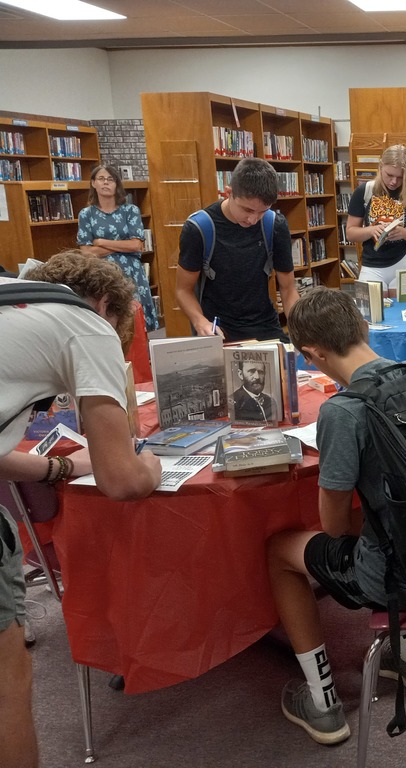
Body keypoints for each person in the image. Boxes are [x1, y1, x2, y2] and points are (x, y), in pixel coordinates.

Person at [1, 250, 162, 768]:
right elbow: (122, 482)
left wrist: (61, 470)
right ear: (108, 306)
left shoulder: (15, 306)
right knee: (7, 680)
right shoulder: (87, 324)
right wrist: (151, 463)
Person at [266, 287, 406, 746]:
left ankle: (322, 701)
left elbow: (335, 528)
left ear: (311, 354)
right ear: (362, 327)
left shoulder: (342, 412)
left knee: (280, 549)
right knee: (384, 520)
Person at [175, 157, 298, 343]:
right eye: (247, 210)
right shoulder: (199, 228)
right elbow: (183, 290)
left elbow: (288, 289)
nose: (253, 220)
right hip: (217, 329)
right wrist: (199, 321)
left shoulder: (275, 225)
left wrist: (302, 331)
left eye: (262, 211)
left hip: (265, 326)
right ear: (228, 192)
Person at [77, 163, 159, 332]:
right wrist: (122, 246)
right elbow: (86, 252)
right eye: (101, 179)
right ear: (93, 183)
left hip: (131, 274)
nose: (106, 183)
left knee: (136, 324)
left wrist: (100, 242)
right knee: (108, 322)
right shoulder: (86, 214)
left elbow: (136, 245)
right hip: (102, 275)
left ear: (117, 184)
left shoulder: (130, 211)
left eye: (110, 179)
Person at [346, 145, 406, 296]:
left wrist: (405, 233)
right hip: (371, 266)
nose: (394, 182)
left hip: (405, 264)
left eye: (400, 177)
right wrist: (371, 230)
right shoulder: (364, 192)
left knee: (404, 316)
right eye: (389, 175)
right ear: (380, 167)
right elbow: (350, 233)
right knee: (372, 316)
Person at [230, 358, 274, 423]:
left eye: (261, 372)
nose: (257, 377)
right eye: (251, 371)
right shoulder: (233, 403)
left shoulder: (270, 402)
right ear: (241, 374)